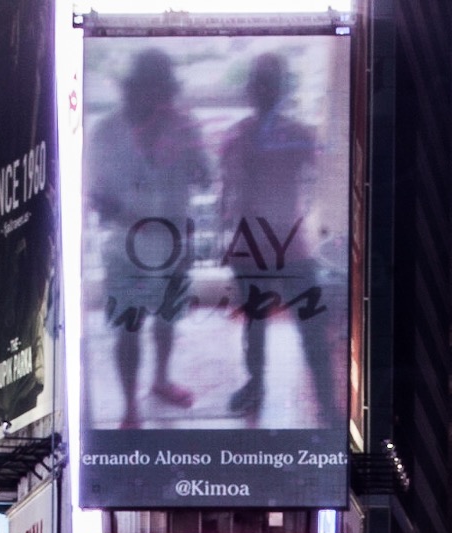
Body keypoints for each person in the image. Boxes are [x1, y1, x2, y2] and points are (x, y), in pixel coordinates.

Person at [87, 48, 211, 430]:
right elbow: (98, 198)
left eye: (164, 91)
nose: (157, 99)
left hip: (175, 244)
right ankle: (130, 408)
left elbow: (206, 179)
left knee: (168, 318)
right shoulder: (106, 131)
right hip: (125, 247)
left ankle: (161, 380)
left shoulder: (183, 127)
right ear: (133, 89)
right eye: (149, 89)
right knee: (128, 327)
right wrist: (141, 223)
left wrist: (194, 149)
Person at [216, 50, 335, 422]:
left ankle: (326, 404)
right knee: (261, 326)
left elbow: (324, 174)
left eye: (270, 84)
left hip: (286, 246)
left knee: (305, 327)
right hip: (260, 246)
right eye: (261, 84)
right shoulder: (247, 136)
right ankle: (263, 387)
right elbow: (228, 190)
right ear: (253, 89)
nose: (265, 91)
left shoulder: (292, 135)